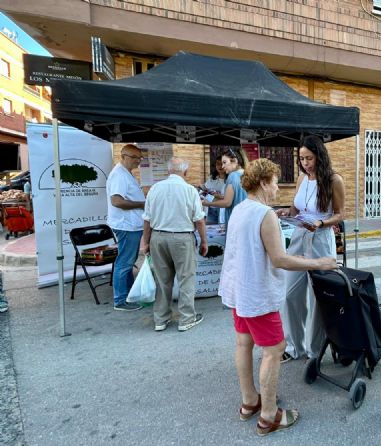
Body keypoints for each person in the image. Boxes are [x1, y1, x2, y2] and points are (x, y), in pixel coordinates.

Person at [219, 158, 337, 436]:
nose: (275, 188)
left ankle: (250, 402)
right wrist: (320, 263)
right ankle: (269, 416)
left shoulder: (240, 209)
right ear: (262, 182)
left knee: (243, 343)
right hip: (256, 293)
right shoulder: (264, 214)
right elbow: (280, 259)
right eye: (273, 182)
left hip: (239, 291)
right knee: (273, 350)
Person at [275, 135, 345, 362]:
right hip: (298, 235)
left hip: (320, 238)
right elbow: (297, 207)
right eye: (301, 158)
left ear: (319, 156)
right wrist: (288, 213)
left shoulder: (334, 180)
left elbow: (340, 214)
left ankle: (314, 351)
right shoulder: (301, 179)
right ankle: (295, 347)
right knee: (289, 295)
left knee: (318, 298)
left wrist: (321, 223)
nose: (305, 163)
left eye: (309, 158)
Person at [141, 158, 207, 332]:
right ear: (185, 172)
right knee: (186, 279)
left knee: (162, 279)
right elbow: (199, 220)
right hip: (182, 238)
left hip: (158, 237)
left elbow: (147, 220)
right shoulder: (189, 190)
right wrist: (204, 241)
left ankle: (160, 319)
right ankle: (186, 319)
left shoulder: (155, 189)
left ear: (168, 171)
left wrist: (145, 242)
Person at [106, 144, 146, 311]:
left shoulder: (125, 173)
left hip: (131, 225)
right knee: (125, 262)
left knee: (128, 261)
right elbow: (117, 201)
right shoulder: (119, 175)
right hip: (126, 226)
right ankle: (120, 299)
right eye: (134, 157)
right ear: (123, 156)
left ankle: (128, 294)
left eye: (140, 158)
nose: (138, 161)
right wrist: (143, 204)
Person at [206, 148, 248, 224]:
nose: (222, 166)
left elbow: (227, 202)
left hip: (234, 220)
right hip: (245, 219)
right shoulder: (246, 174)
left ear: (235, 161)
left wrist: (207, 203)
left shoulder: (232, 176)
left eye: (224, 162)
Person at [201, 155, 227, 224]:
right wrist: (202, 189)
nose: (220, 166)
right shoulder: (212, 178)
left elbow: (231, 197)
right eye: (218, 164)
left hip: (223, 210)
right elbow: (204, 191)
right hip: (210, 209)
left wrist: (218, 196)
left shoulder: (231, 179)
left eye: (222, 163)